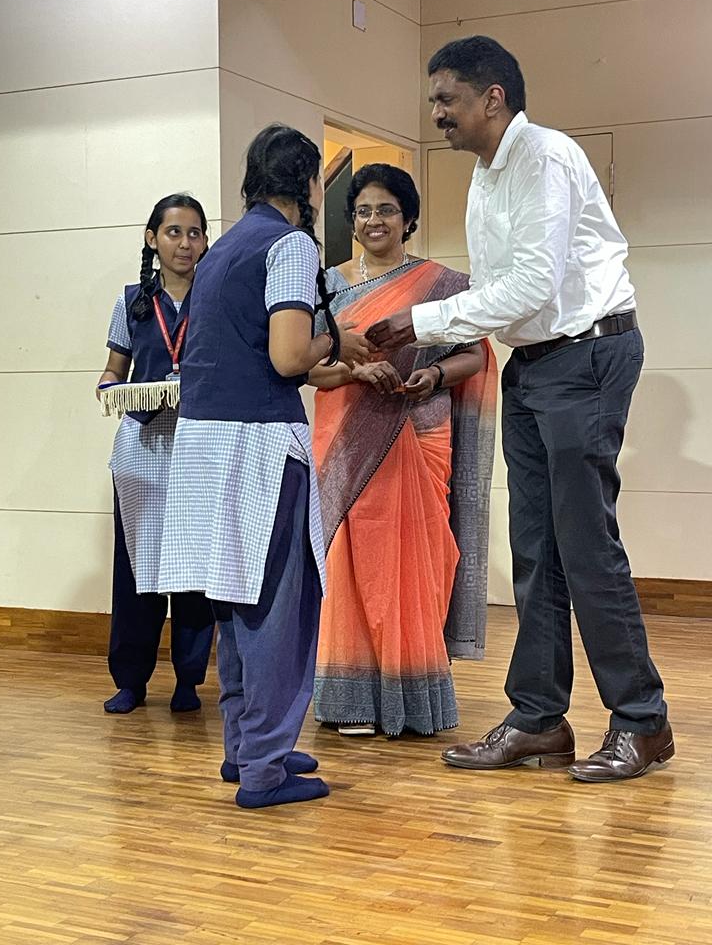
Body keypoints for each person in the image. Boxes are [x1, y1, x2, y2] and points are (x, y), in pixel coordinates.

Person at [367, 36, 672, 783]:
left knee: (584, 544)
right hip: (534, 364)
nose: (436, 114)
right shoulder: (485, 174)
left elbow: (533, 285)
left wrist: (422, 321)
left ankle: (643, 723)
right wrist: (436, 326)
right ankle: (539, 719)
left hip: (586, 355)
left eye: (446, 99)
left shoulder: (545, 158)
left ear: (492, 97)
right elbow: (501, 293)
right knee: (534, 547)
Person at [157, 125, 373, 808]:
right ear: (309, 183)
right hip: (259, 451)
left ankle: (247, 746)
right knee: (280, 608)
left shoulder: (223, 248)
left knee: (236, 606)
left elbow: (251, 354)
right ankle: (265, 769)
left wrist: (327, 366)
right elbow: (286, 355)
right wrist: (338, 341)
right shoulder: (291, 244)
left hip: (205, 446)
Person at [309, 164, 496, 737]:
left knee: (420, 557)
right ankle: (351, 698)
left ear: (408, 218)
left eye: (386, 209)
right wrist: (355, 372)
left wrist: (433, 376)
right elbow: (308, 367)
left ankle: (412, 693)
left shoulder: (443, 286)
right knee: (349, 558)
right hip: (346, 437)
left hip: (418, 430)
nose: (374, 220)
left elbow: (474, 354)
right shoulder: (325, 286)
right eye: (363, 210)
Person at [97, 193, 216, 715]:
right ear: (152, 238)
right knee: (135, 569)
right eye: (173, 232)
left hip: (198, 449)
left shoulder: (216, 299)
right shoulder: (131, 302)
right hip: (141, 453)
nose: (185, 243)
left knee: (193, 571)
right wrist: (108, 389)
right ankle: (130, 680)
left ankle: (189, 680)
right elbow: (113, 369)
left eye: (194, 233)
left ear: (205, 241)